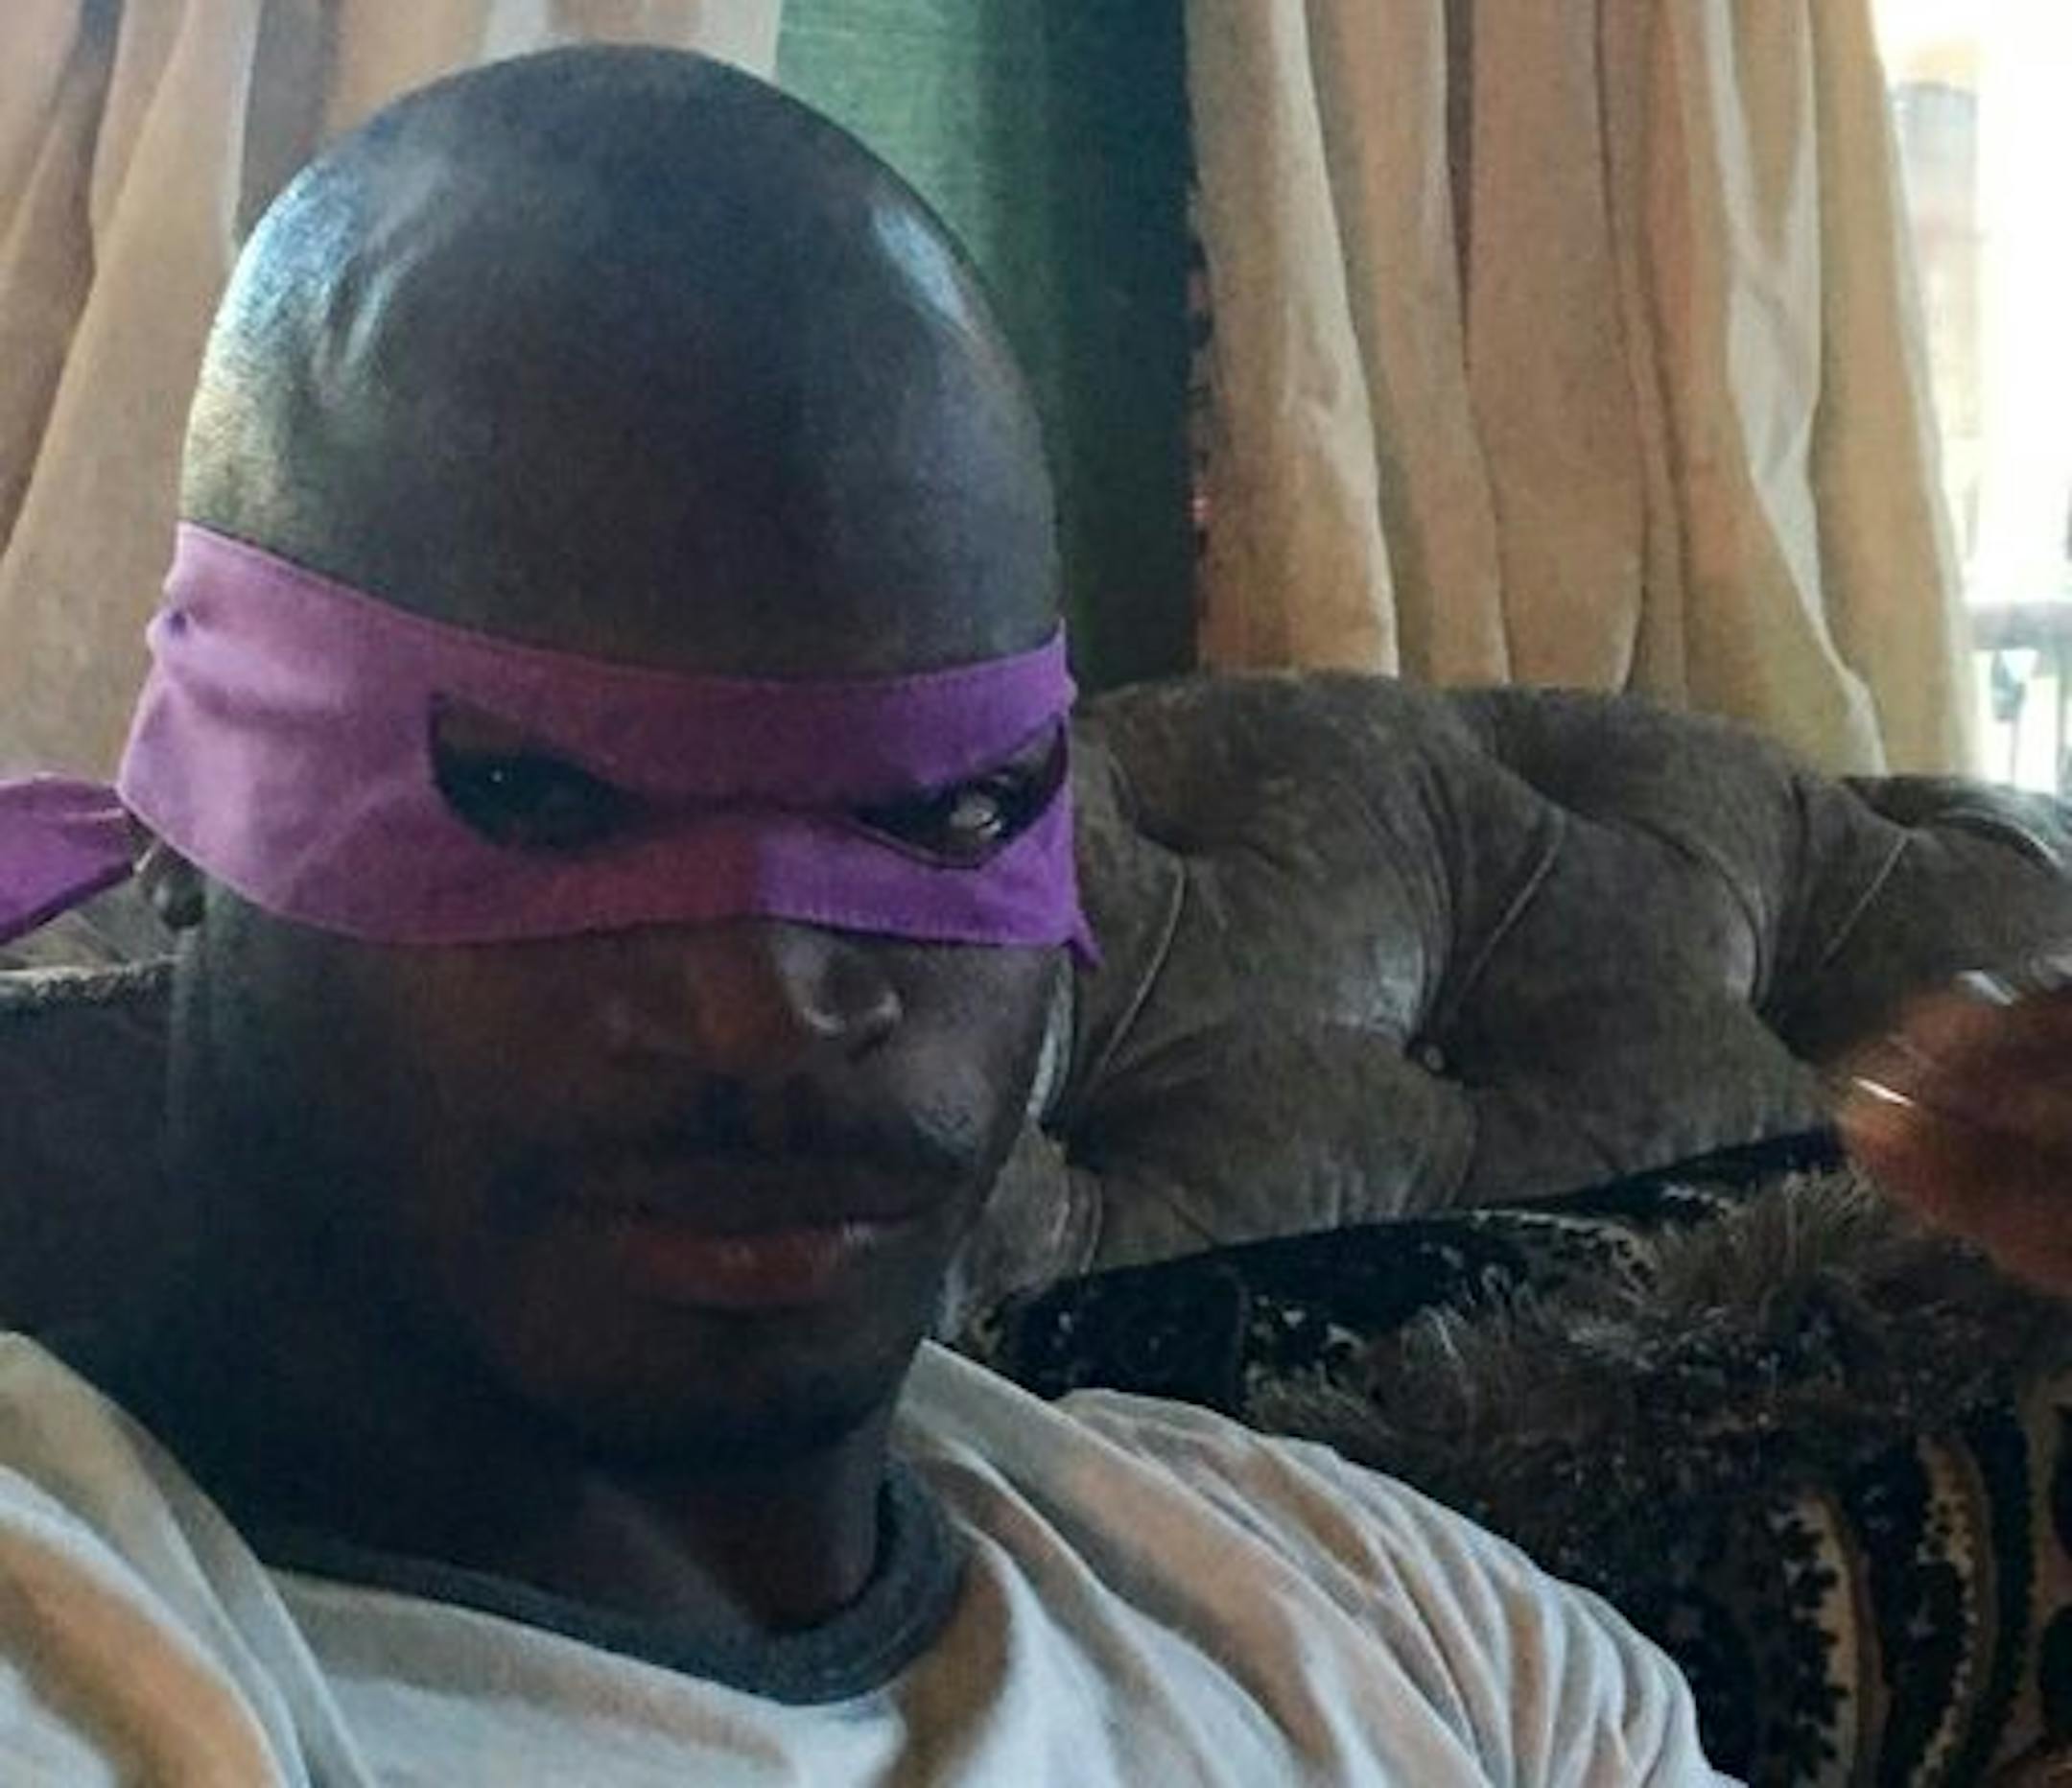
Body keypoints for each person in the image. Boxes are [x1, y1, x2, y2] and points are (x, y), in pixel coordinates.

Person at [0, 47, 1736, 1783]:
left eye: (944, 808)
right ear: (183, 799)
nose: (769, 1002)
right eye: (539, 794)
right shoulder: (88, 1658)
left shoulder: (1414, 1633)